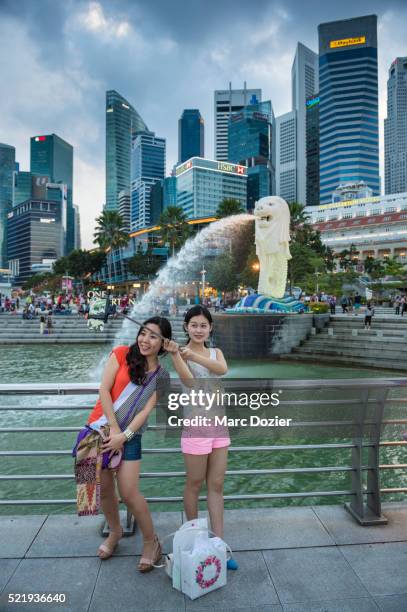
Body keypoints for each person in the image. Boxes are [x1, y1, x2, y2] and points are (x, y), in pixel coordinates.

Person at [85, 317, 171, 572]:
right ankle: (115, 532)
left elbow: (145, 411)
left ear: (164, 343)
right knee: (101, 488)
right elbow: (103, 390)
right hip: (99, 428)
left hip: (130, 437)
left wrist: (124, 436)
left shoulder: (162, 376)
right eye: (143, 333)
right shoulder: (121, 353)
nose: (145, 340)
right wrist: (113, 428)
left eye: (153, 336)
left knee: (130, 493)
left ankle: (150, 542)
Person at [166, 305, 238, 571]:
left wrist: (194, 357)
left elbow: (221, 370)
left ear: (210, 328)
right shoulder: (178, 353)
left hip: (219, 426)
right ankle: (196, 541)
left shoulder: (215, 352)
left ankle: (219, 545)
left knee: (216, 486)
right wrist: (179, 355)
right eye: (193, 325)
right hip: (195, 426)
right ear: (186, 327)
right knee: (194, 484)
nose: (198, 329)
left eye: (203, 325)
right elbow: (190, 383)